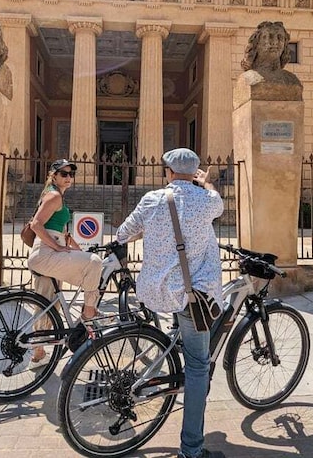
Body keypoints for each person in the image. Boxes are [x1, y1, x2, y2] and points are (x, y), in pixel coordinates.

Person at [116, 148, 224, 458]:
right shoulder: (207, 201)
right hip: (194, 296)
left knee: (184, 335)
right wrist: (205, 183)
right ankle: (191, 449)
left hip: (158, 292)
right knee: (198, 367)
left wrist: (151, 232)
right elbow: (217, 202)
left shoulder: (152, 200)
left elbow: (124, 234)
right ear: (194, 173)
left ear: (167, 172)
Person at [27, 159, 103, 361]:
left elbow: (64, 234)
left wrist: (79, 250)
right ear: (54, 175)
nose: (69, 177)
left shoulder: (56, 196)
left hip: (51, 253)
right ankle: (88, 314)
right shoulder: (53, 196)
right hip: (46, 254)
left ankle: (39, 349)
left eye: (71, 174)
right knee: (94, 263)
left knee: (50, 304)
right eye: (64, 174)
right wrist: (58, 248)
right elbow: (36, 225)